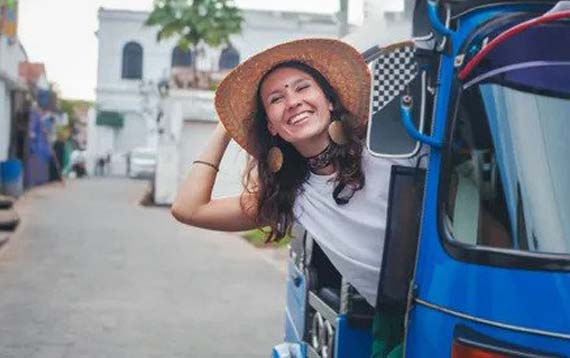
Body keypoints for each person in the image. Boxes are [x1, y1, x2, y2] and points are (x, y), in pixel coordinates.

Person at [171, 38, 417, 357]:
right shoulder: (294, 197)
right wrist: (226, 128)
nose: (292, 101)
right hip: (401, 326)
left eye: (302, 88)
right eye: (276, 99)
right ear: (272, 126)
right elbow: (189, 208)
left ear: (329, 101)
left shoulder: (392, 148)